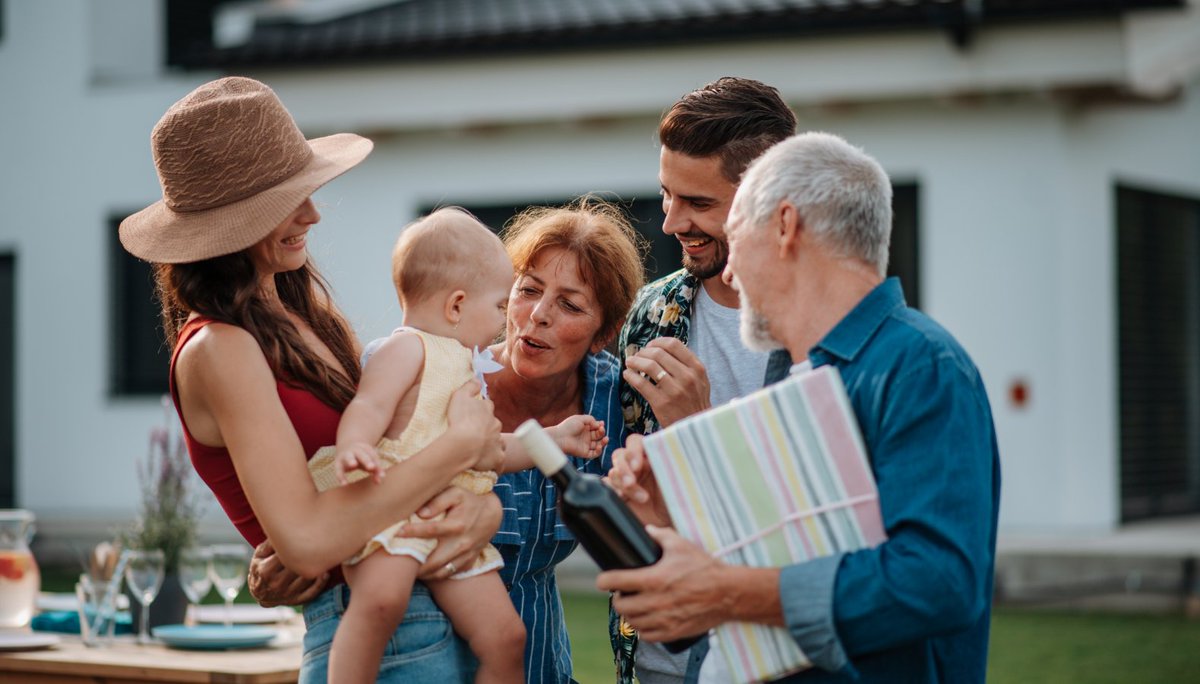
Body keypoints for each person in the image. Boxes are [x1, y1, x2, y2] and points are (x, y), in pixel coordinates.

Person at [119, 76, 505, 683]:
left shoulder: (302, 322)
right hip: (377, 629)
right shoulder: (220, 350)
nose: (313, 212)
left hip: (430, 598)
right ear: (231, 223)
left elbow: (395, 456)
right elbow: (306, 541)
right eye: (286, 201)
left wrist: (484, 514)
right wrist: (460, 446)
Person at [600, 132, 1002, 683]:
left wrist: (723, 592)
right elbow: (784, 554)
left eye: (737, 238)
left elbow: (939, 582)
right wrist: (671, 512)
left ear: (786, 227)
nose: (732, 273)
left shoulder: (918, 366)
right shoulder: (798, 371)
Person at [249, 197, 647, 682]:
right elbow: (353, 477)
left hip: (536, 661)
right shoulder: (435, 372)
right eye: (526, 290)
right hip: (424, 650)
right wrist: (292, 558)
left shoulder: (614, 402)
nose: (537, 314)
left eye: (569, 304)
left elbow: (661, 524)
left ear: (602, 332)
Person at [612, 76, 797, 684]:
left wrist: (697, 427)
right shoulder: (651, 314)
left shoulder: (818, 333)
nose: (670, 223)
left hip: (778, 653)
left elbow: (806, 522)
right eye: (667, 195)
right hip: (660, 657)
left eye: (697, 204)